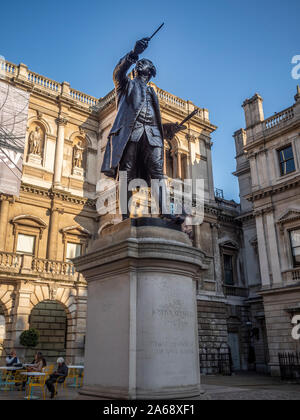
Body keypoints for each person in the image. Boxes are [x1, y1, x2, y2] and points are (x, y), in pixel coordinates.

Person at [101, 37, 186, 220]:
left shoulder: (152, 93)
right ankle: (125, 217)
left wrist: (169, 129)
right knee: (126, 174)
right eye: (138, 63)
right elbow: (117, 73)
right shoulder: (125, 86)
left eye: (144, 63)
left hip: (153, 136)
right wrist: (134, 53)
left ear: (151, 71)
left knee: (158, 173)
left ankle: (165, 212)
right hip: (131, 135)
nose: (139, 64)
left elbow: (153, 120)